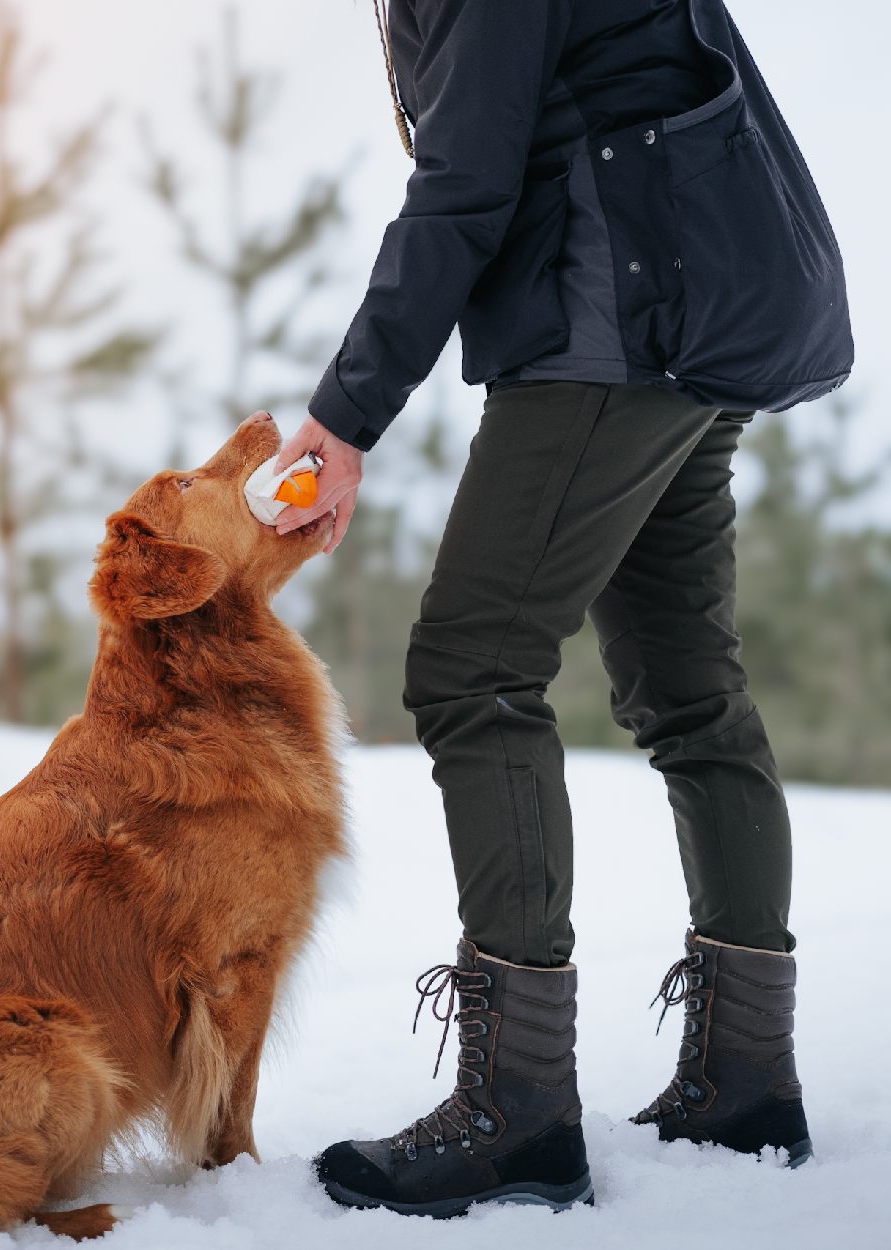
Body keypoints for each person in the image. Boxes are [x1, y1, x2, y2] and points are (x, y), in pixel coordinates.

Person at [272, 0, 853, 1218]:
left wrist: (345, 414)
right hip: (695, 303)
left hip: (624, 308)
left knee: (471, 668)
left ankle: (518, 1108)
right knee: (689, 686)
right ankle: (747, 1078)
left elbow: (464, 185)